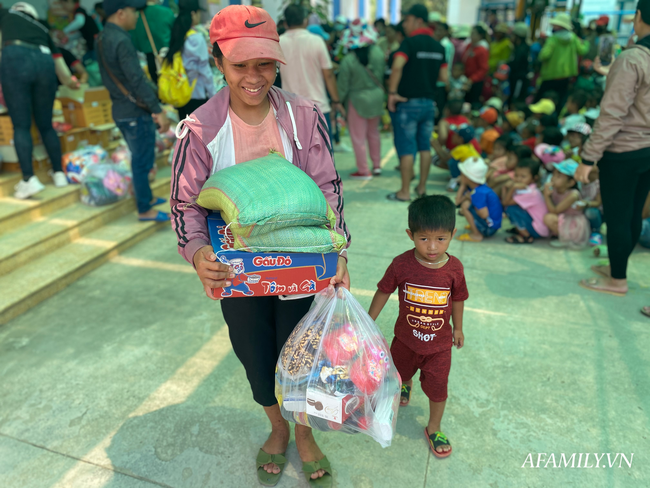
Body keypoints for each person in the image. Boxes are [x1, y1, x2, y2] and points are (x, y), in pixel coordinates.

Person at [170, 6, 351, 486]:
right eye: (240, 65)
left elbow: (327, 188)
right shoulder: (201, 130)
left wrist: (338, 252)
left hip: (300, 263)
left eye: (265, 64)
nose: (254, 77)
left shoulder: (304, 117)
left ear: (278, 61)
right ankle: (276, 427)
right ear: (218, 61)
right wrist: (198, 255)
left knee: (302, 355)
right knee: (255, 354)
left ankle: (305, 433)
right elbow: (185, 204)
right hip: (238, 272)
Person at [369, 195, 467, 458]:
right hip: (404, 341)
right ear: (410, 234)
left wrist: (458, 328)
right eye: (424, 238)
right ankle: (405, 384)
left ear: (452, 234)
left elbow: (458, 298)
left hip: (439, 348)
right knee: (398, 376)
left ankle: (434, 427)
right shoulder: (401, 264)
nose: (432, 247)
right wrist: (368, 320)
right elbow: (383, 291)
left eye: (441, 239)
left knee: (438, 388)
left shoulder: (454, 269)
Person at [576, 0, 650, 298]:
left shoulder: (632, 58)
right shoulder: (637, 58)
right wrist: (612, 70)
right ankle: (616, 268)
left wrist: (587, 158)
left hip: (622, 152)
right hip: (647, 151)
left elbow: (612, 116)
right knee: (633, 214)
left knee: (618, 216)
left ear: (638, 16)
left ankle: (617, 280)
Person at [98, 0, 171, 222]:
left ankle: (146, 198)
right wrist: (157, 109)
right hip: (133, 111)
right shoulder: (121, 39)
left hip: (121, 108)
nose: (137, 16)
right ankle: (144, 209)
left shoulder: (102, 38)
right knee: (141, 161)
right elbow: (136, 79)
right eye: (133, 12)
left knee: (142, 158)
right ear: (121, 13)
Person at [0, 2, 78, 199]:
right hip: (44, 65)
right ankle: (59, 174)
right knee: (46, 125)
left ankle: (29, 179)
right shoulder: (41, 27)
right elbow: (59, 62)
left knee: (21, 125)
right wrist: (71, 83)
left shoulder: (6, 16)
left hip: (16, 59)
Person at [387, 3, 448, 201]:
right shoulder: (438, 46)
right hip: (429, 104)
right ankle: (421, 187)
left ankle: (404, 191)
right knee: (424, 147)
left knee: (406, 148)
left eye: (407, 20)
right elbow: (444, 78)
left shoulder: (409, 43)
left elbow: (397, 67)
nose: (404, 25)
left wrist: (392, 92)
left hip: (408, 103)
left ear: (418, 20)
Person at [279, 4, 346, 149]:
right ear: (305, 21)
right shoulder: (316, 41)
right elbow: (328, 75)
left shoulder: (278, 42)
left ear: (285, 22)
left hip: (290, 108)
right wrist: (336, 100)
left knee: (296, 157)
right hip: (318, 107)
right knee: (324, 157)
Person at [337, 23, 385, 179]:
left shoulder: (348, 60)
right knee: (374, 133)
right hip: (377, 97)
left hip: (357, 100)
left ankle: (364, 170)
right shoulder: (378, 52)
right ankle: (377, 166)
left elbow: (342, 85)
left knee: (358, 137)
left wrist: (337, 101)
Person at [165, 0, 215, 120]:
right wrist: (214, 95)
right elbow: (204, 70)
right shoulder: (196, 38)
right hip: (196, 93)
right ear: (193, 14)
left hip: (181, 91)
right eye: (198, 13)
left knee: (186, 130)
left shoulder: (178, 33)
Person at [537, 13, 589, 109]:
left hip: (550, 75)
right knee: (560, 101)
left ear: (559, 26)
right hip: (566, 76)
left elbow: (543, 56)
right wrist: (586, 43)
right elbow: (582, 50)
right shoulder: (573, 38)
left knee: (542, 100)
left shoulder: (553, 39)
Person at [543, 160, 590, 248]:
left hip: (573, 222)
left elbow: (554, 211)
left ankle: (566, 239)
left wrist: (546, 196)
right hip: (563, 218)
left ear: (570, 182)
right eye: (553, 174)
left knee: (548, 218)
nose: (553, 178)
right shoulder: (555, 189)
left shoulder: (573, 195)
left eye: (558, 176)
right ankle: (561, 235)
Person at [456, 156, 503, 241]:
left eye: (461, 173)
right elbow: (457, 201)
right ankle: (476, 226)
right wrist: (463, 184)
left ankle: (476, 234)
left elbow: (484, 214)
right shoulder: (478, 187)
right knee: (466, 203)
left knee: (465, 205)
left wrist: (472, 200)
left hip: (489, 229)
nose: (460, 174)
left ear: (467, 177)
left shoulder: (478, 192)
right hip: (491, 226)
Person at [502, 158, 549, 243]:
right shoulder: (524, 188)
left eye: (523, 176)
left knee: (511, 209)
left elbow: (506, 203)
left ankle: (526, 236)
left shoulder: (531, 193)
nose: (518, 179)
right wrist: (504, 188)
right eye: (516, 175)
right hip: (534, 224)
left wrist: (511, 188)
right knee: (512, 207)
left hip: (537, 230)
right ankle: (520, 229)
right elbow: (505, 201)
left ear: (534, 178)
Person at [130, 0, 175, 85]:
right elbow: (175, 33)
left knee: (158, 85)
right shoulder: (166, 12)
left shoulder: (137, 15)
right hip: (169, 56)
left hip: (150, 56)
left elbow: (135, 40)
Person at [462, 25, 489, 106]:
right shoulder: (469, 46)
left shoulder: (482, 49)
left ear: (480, 35)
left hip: (475, 82)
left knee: (472, 103)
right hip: (465, 79)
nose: (471, 35)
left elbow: (484, 69)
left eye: (473, 33)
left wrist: (472, 79)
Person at [433, 20, 454, 118]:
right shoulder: (439, 43)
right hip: (436, 80)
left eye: (441, 30)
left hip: (441, 81)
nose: (438, 32)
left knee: (439, 107)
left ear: (446, 32)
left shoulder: (446, 45)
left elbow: (447, 64)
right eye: (437, 30)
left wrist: (446, 81)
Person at [508, 22, 530, 105]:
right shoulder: (517, 47)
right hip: (515, 78)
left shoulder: (522, 50)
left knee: (515, 100)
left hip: (519, 79)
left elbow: (516, 65)